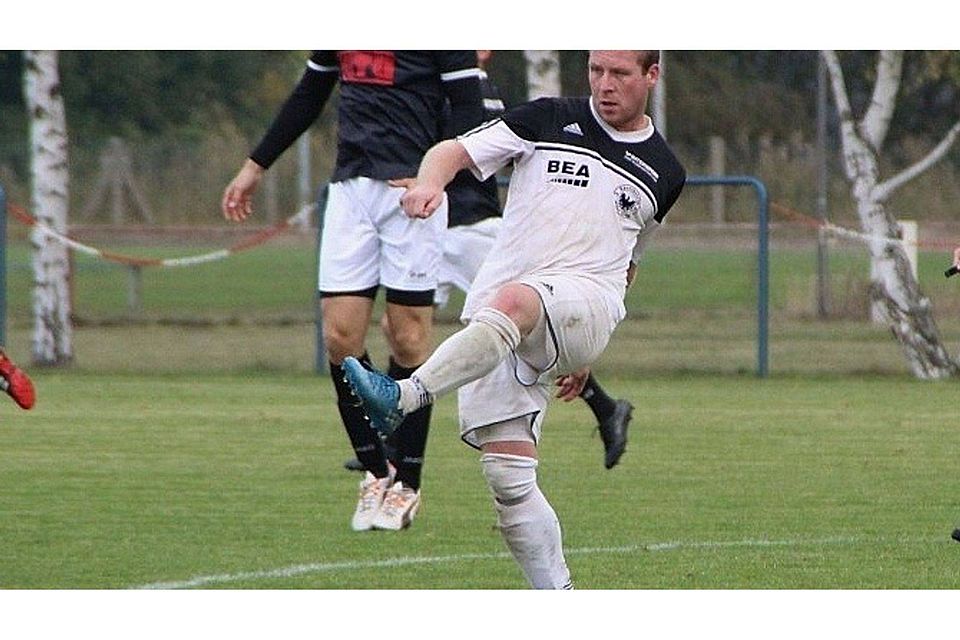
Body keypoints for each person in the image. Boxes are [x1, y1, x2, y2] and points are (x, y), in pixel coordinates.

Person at [343, 50, 686, 588]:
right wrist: (431, 183)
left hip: (578, 301)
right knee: (508, 479)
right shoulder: (547, 119)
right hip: (508, 320)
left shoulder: (666, 172)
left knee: (516, 300)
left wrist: (584, 346)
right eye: (596, 70)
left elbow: (628, 265)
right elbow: (452, 150)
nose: (604, 84)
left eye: (619, 73)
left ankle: (404, 397)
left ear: (651, 76)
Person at [222, 51, 484, 532]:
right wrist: (254, 167)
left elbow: (470, 111)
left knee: (408, 339)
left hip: (413, 191)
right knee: (340, 339)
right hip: (350, 191)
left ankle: (407, 481)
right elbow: (309, 93)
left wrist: (438, 176)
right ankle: (374, 469)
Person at [343, 50, 634, 473]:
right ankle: (395, 440)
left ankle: (603, 405)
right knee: (401, 330)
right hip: (437, 222)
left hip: (471, 224)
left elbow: (463, 149)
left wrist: (427, 179)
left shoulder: (471, 88)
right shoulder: (463, 82)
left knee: (514, 319)